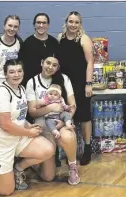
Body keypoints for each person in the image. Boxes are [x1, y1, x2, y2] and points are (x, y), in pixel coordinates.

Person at [0, 60, 55, 195]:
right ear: (5, 74)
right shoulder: (1, 93)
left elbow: (19, 116)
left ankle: (18, 169)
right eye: (12, 72)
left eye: (19, 71)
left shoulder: (21, 88)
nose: (16, 74)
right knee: (6, 190)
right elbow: (6, 125)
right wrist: (29, 132)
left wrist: (28, 125)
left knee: (48, 149)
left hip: (17, 138)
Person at [26, 56, 80, 185]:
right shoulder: (32, 82)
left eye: (54, 65)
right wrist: (50, 107)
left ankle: (72, 168)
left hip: (60, 119)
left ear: (58, 67)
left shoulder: (64, 79)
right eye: (48, 63)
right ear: (41, 62)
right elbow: (32, 111)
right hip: (43, 123)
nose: (50, 67)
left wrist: (65, 120)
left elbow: (72, 105)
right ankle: (36, 163)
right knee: (48, 177)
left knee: (67, 135)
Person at [56, 11, 94, 165]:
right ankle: (67, 149)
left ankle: (87, 148)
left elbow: (90, 62)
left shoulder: (84, 39)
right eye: (70, 21)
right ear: (66, 22)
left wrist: (88, 83)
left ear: (80, 24)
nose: (73, 25)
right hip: (64, 84)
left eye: (76, 22)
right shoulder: (60, 38)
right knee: (65, 116)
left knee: (84, 117)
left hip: (80, 83)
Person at [19, 13, 59, 87]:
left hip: (50, 84)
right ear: (34, 24)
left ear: (48, 25)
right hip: (31, 84)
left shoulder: (54, 42)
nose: (41, 25)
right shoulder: (27, 43)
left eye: (44, 23)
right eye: (38, 22)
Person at [0, 15, 21, 90]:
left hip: (14, 80)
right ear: (4, 26)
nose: (12, 29)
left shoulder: (19, 43)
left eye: (15, 26)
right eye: (10, 25)